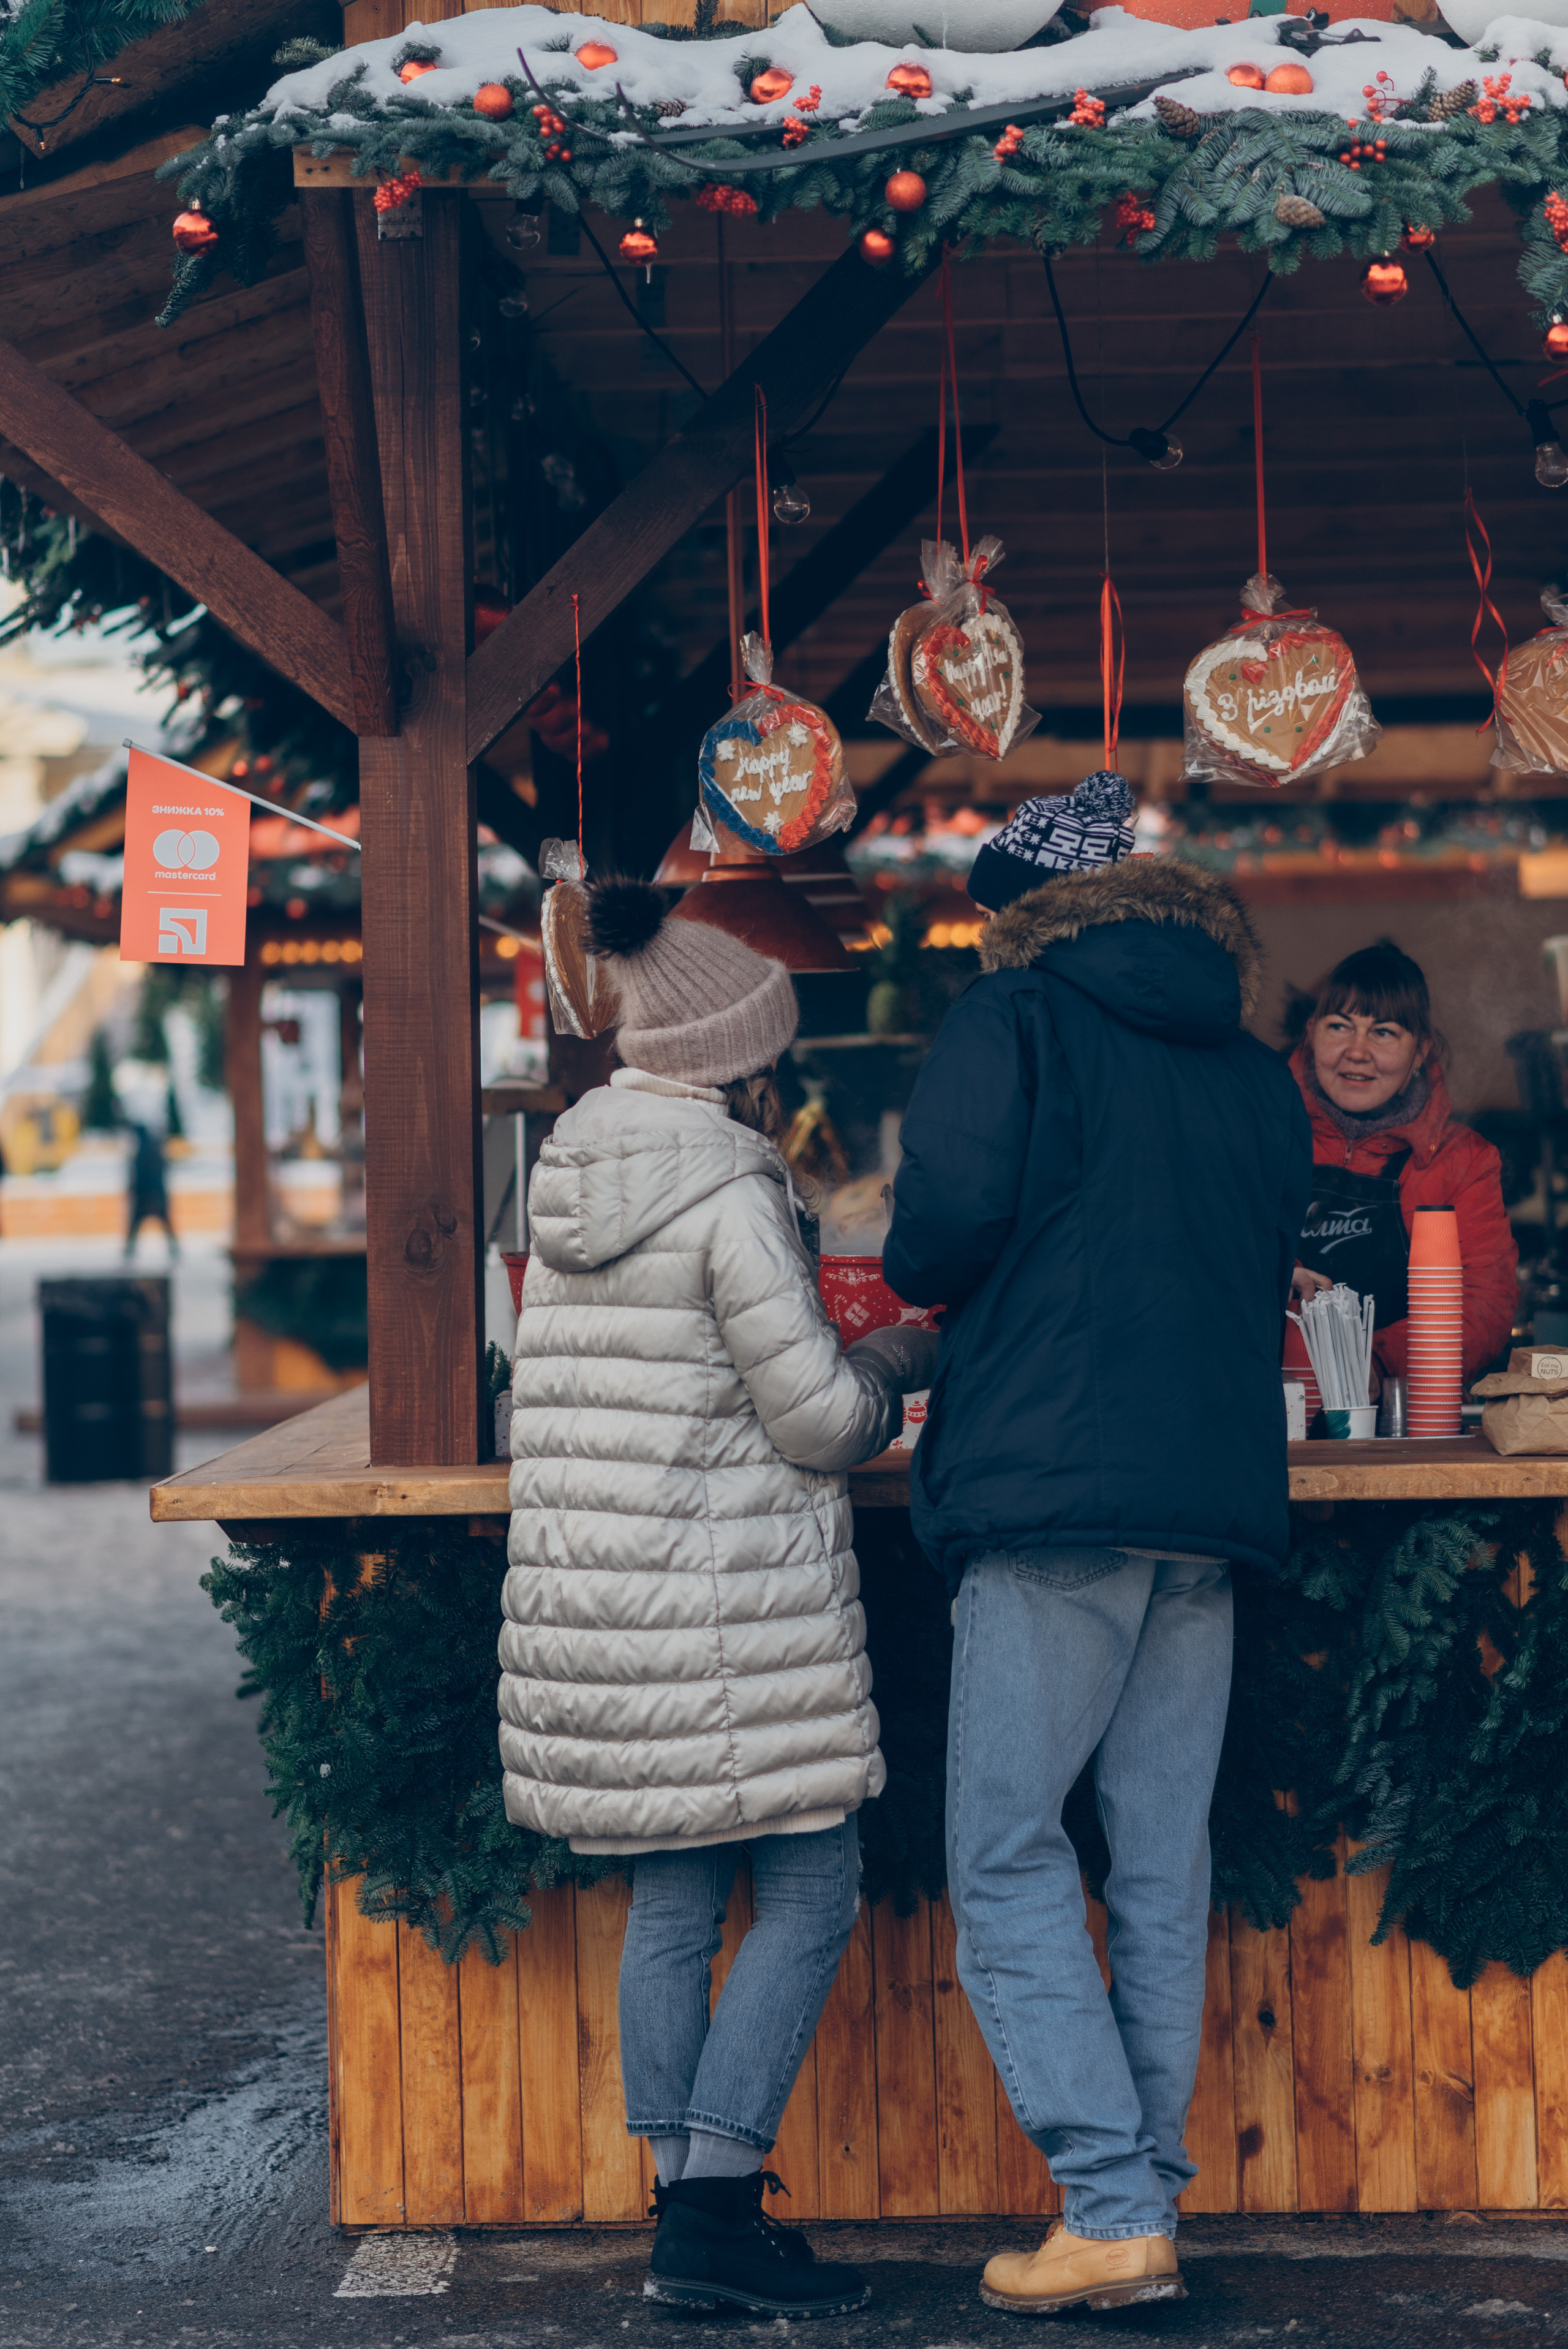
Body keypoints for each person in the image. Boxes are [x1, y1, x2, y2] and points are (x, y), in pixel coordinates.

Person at [882, 773, 1312, 2318]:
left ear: (1013, 914)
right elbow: (1280, 1238)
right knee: (1154, 1854)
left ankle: (1114, 2200)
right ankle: (1140, 2193)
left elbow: (933, 1225)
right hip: (1206, 1500)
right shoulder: (1253, 1063)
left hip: (1049, 1489)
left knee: (1003, 1847)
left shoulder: (1013, 1020)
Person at [500, 877, 935, 2321]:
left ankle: (685, 2209)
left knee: (675, 1892)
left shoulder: (572, 1165)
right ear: (736, 1049)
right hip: (721, 1607)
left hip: (605, 1609)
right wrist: (900, 1361)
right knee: (811, 1881)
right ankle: (709, 2205)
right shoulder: (729, 1183)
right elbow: (813, 1418)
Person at [1290, 939, 1517, 1385]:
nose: (1357, 1051)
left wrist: (1376, 1365)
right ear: (1312, 1033)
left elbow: (1484, 1302)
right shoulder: (1261, 1136)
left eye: (1384, 1032)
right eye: (1339, 1027)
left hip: (1403, 1413)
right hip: (1272, 1407)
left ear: (1420, 1053)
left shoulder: (1466, 1162)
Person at [124, 1119, 178, 1260]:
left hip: (147, 1194)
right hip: (155, 1194)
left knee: (137, 1225)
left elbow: (140, 1176)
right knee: (163, 1225)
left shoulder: (143, 1152)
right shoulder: (154, 1149)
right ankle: (174, 1250)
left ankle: (129, 1252)